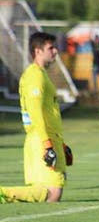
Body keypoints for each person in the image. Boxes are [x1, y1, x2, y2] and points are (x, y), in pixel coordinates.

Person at [0, 32, 73, 204]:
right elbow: (35, 112)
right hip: (41, 140)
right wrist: (47, 145)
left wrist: (61, 145)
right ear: (37, 51)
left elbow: (47, 113)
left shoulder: (39, 74)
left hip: (43, 139)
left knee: (47, 193)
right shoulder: (35, 76)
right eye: (50, 48)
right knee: (53, 192)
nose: (55, 51)